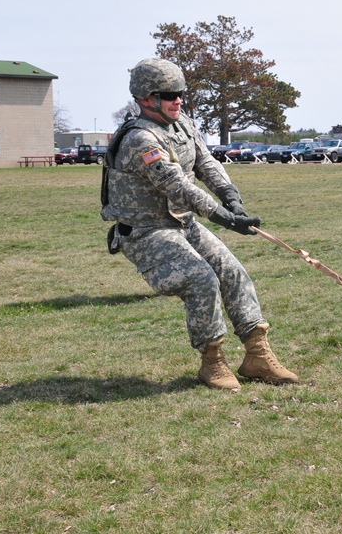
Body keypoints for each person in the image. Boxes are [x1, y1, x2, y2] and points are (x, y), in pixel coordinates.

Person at [101, 58, 298, 391]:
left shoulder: (183, 124)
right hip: (147, 230)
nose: (179, 99)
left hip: (182, 222)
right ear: (147, 98)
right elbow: (177, 185)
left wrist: (231, 196)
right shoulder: (140, 140)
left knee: (231, 270)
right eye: (170, 94)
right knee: (201, 278)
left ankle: (257, 356)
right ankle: (212, 362)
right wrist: (223, 217)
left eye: (181, 93)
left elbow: (206, 162)